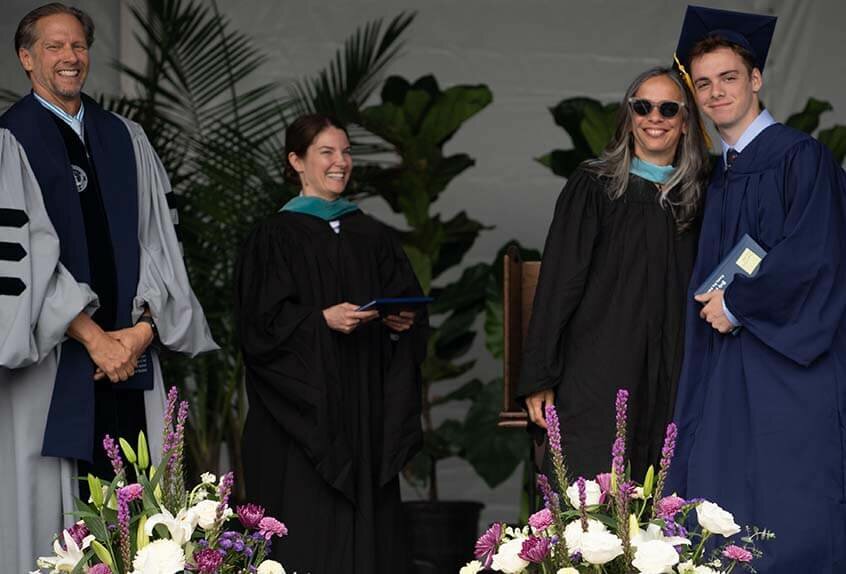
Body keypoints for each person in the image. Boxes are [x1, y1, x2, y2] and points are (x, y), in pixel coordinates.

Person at [0, 4, 217, 571]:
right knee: (55, 528)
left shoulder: (127, 138)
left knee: (141, 519)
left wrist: (141, 331)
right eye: (53, 47)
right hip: (50, 374)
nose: (70, 57)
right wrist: (95, 338)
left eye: (78, 46)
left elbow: (159, 246)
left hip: (129, 362)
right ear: (26, 59)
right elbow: (23, 260)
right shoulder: (8, 142)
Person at [668, 6, 846, 572]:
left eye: (728, 77)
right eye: (703, 83)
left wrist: (740, 303)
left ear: (755, 79)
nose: (716, 92)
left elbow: (819, 253)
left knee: (791, 500)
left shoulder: (801, 157)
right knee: (724, 497)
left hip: (790, 364)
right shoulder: (720, 174)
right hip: (726, 363)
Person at [235, 114, 428, 573]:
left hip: (366, 410)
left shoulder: (372, 235)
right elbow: (258, 328)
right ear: (296, 161)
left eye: (345, 152)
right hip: (302, 421)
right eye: (327, 152)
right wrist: (319, 320)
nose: (341, 162)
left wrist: (402, 323)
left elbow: (408, 309)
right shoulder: (273, 236)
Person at [517, 67, 709, 483]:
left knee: (666, 496)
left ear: (685, 122)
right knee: (593, 495)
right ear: (629, 115)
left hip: (673, 370)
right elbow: (558, 285)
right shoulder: (595, 187)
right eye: (642, 106)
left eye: (668, 108)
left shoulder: (700, 197)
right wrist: (540, 377)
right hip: (599, 369)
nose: (654, 117)